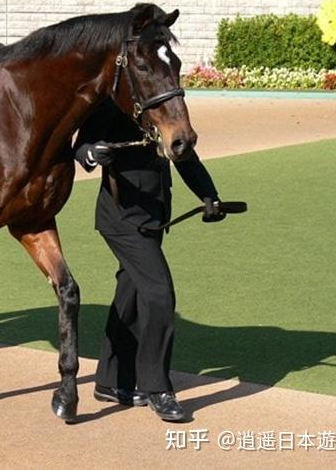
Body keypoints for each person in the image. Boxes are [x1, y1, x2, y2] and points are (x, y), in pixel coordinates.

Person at [74, 98, 225, 422]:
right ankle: (158, 388)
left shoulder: (162, 110)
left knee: (130, 294)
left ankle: (111, 381)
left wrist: (209, 194)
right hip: (121, 220)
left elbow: (184, 154)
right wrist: (92, 153)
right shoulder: (112, 106)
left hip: (154, 216)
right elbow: (82, 145)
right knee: (159, 293)